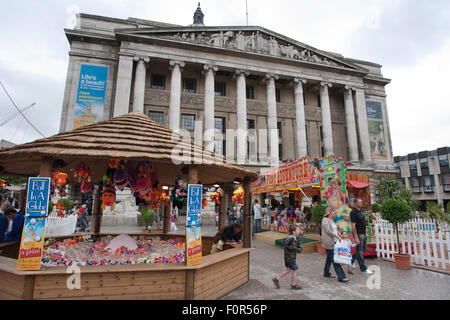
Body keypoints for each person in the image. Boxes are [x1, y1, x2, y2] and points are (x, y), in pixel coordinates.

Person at [321, 206, 349, 282]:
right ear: (329, 212)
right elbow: (328, 231)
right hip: (329, 242)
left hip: (334, 241)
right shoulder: (325, 220)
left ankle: (326, 273)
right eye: (333, 211)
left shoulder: (332, 220)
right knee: (334, 260)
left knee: (329, 259)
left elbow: (334, 230)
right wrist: (337, 236)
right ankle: (341, 276)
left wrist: (339, 234)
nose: (334, 213)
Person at [272, 224, 304, 290]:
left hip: (290, 258)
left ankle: (276, 278)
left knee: (288, 270)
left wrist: (299, 247)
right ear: (293, 232)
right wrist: (299, 249)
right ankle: (293, 284)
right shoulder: (291, 239)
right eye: (297, 230)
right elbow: (292, 247)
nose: (299, 231)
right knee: (295, 269)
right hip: (290, 258)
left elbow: (298, 245)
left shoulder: (294, 238)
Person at [350, 198, 373, 274]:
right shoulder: (353, 212)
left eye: (361, 202)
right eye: (359, 202)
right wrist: (356, 237)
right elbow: (353, 226)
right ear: (355, 203)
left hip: (363, 233)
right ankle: (363, 268)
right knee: (359, 251)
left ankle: (351, 260)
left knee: (363, 249)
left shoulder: (360, 212)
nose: (361, 203)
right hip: (359, 234)